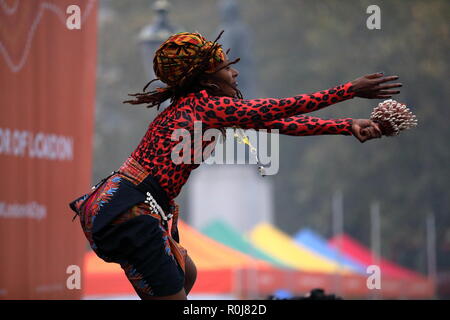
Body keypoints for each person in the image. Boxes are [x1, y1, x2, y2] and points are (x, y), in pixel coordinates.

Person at [69, 31, 402, 300]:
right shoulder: (206, 107)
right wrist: (348, 90)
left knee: (188, 274)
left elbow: (280, 123)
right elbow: (277, 109)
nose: (235, 72)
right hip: (130, 211)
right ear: (207, 77)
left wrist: (346, 125)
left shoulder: (196, 108)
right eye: (228, 66)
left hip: (119, 207)